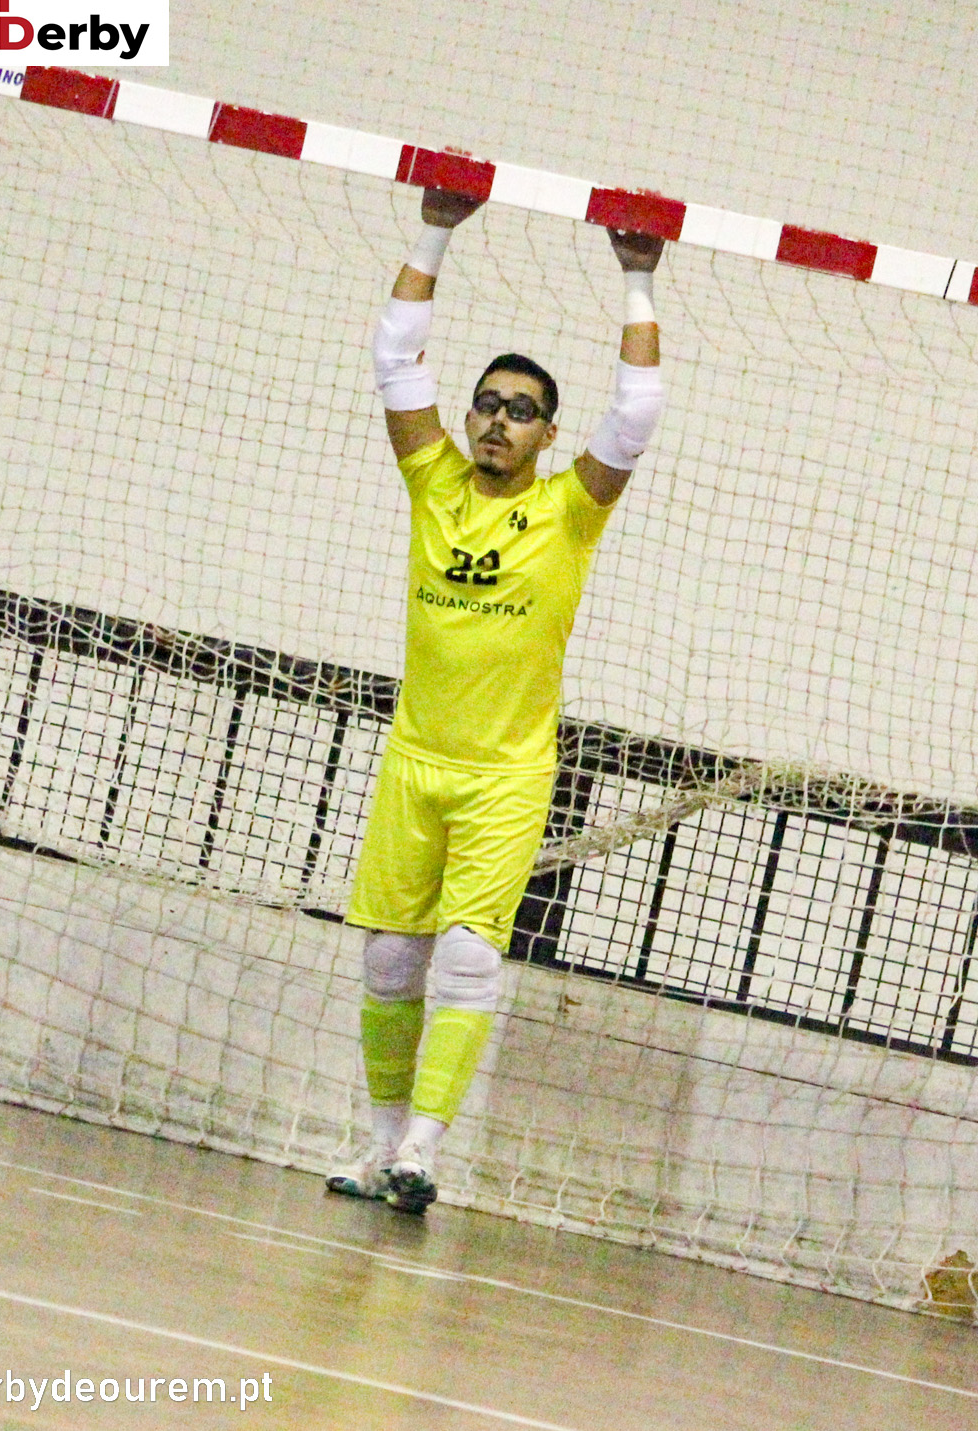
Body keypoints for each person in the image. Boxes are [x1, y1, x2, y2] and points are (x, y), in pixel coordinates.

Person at [326, 179, 665, 1214]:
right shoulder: (429, 480)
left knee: (469, 955)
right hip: (412, 758)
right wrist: (435, 226)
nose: (495, 421)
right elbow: (393, 357)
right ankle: (380, 1145)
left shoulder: (568, 512)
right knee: (389, 954)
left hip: (505, 773)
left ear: (547, 435)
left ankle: (424, 1152)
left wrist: (637, 278)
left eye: (520, 412)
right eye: (486, 402)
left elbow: (637, 410)